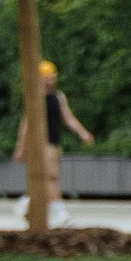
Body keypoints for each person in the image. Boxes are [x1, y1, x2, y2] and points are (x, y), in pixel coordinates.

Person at [15, 57, 95, 215]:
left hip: (54, 143)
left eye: (52, 77)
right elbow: (26, 124)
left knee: (45, 180)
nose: (51, 81)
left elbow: (68, 118)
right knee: (50, 179)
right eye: (47, 78)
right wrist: (21, 147)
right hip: (41, 145)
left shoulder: (58, 97)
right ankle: (61, 215)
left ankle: (26, 203)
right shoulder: (36, 98)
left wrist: (82, 132)